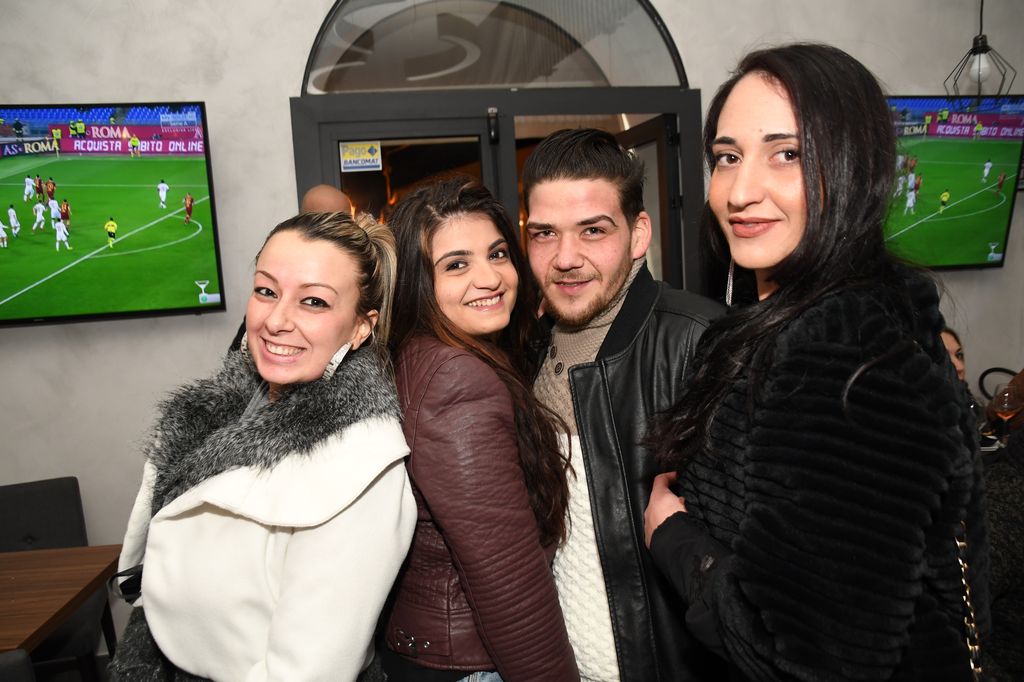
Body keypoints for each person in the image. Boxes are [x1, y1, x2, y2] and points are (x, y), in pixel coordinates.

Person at [643, 43, 991, 681]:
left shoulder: (842, 349)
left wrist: (676, 540)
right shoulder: (805, 319)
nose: (740, 191)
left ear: (853, 168)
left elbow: (809, 658)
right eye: (727, 157)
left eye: (788, 154)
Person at [109, 211, 416, 681]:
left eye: (313, 301)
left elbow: (309, 671)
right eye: (266, 291)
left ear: (360, 327)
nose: (276, 320)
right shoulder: (225, 410)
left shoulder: (363, 466)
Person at [522, 128, 723, 681]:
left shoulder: (700, 341)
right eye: (544, 234)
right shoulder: (525, 347)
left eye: (593, 230)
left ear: (638, 234)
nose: (565, 258)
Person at [382, 178, 578, 681]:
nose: (489, 278)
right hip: (472, 665)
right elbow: (508, 580)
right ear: (418, 284)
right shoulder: (456, 378)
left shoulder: (417, 355)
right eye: (456, 265)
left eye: (497, 254)